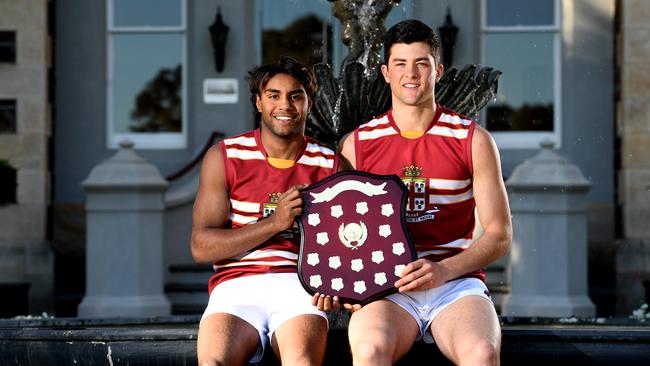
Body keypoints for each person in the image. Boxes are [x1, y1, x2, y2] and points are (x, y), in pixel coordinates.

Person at [323, 19, 513, 365]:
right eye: (400, 64)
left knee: (482, 353)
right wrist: (343, 283)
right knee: (368, 352)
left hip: (456, 282)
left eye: (421, 63)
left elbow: (500, 235)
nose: (411, 73)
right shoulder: (357, 145)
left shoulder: (473, 139)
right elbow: (340, 232)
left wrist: (445, 270)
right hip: (387, 286)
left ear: (437, 70)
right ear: (385, 72)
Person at [191, 56, 344, 366]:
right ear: (258, 102)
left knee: (301, 362)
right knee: (214, 362)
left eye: (295, 95)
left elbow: (347, 246)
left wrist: (336, 284)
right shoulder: (226, 156)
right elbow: (201, 246)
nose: (284, 105)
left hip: (299, 286)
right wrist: (274, 223)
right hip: (236, 286)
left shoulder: (331, 164)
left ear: (308, 103)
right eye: (273, 95)